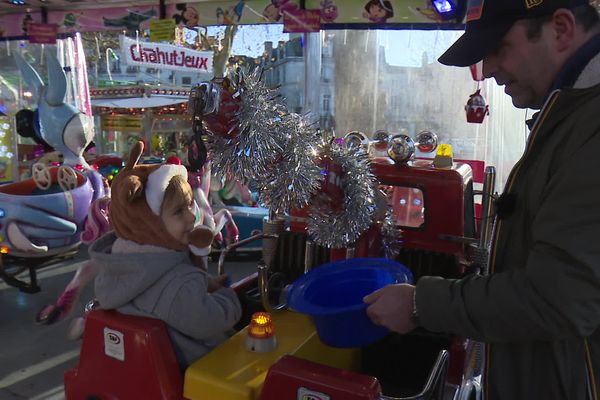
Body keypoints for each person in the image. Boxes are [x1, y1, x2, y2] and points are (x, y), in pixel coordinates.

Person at [364, 1, 600, 399]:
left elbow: (560, 299)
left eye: (499, 48)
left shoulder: (591, 128)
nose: (487, 70)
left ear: (560, 29)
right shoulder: (569, 116)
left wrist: (423, 304)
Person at [90, 141, 242, 370]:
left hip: (147, 367)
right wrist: (228, 297)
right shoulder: (177, 282)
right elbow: (210, 320)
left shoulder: (121, 264)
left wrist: (204, 284)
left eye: (190, 206)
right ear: (147, 223)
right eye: (179, 211)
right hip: (194, 367)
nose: (192, 218)